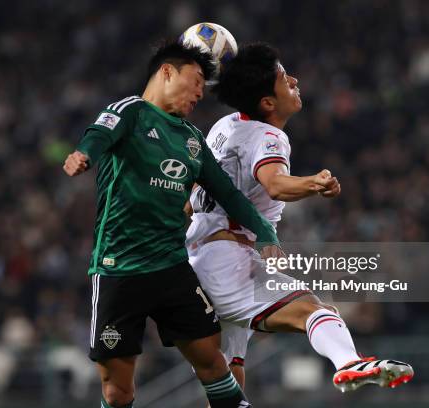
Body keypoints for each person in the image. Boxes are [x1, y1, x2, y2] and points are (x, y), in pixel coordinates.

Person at [63, 41, 283, 408]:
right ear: (167, 71)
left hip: (171, 268)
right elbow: (99, 135)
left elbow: (228, 195)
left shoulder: (192, 140)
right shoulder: (131, 111)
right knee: (118, 392)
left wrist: (265, 231)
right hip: (119, 269)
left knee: (212, 361)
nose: (201, 92)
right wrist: (84, 154)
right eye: (196, 80)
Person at [186, 43, 414, 394]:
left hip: (202, 253)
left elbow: (191, 200)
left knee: (228, 377)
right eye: (283, 77)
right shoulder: (269, 135)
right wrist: (314, 183)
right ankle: (349, 363)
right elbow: (275, 183)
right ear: (267, 103)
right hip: (228, 260)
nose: (293, 79)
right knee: (312, 309)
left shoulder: (224, 126)